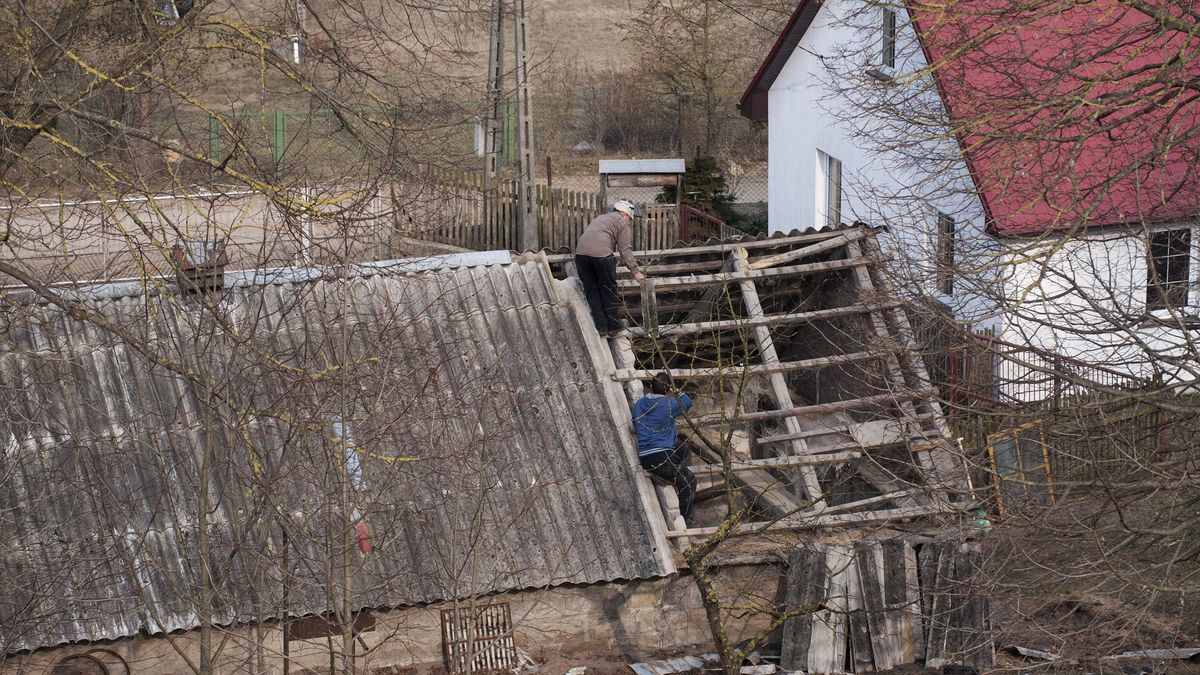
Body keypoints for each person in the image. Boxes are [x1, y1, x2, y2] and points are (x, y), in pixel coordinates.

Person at [632, 372, 697, 519]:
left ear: (652, 387)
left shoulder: (639, 404)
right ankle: (684, 521)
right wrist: (677, 391)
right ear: (669, 390)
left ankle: (672, 474)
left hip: (646, 454)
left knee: (683, 449)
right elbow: (686, 401)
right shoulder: (668, 406)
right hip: (660, 458)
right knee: (689, 483)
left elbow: (635, 421)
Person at [575, 199, 645, 336]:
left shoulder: (601, 218)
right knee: (608, 289)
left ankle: (601, 328)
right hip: (601, 256)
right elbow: (625, 250)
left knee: (592, 291)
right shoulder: (622, 223)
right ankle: (614, 327)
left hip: (581, 256)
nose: (630, 222)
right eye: (630, 219)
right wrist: (636, 272)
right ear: (624, 214)